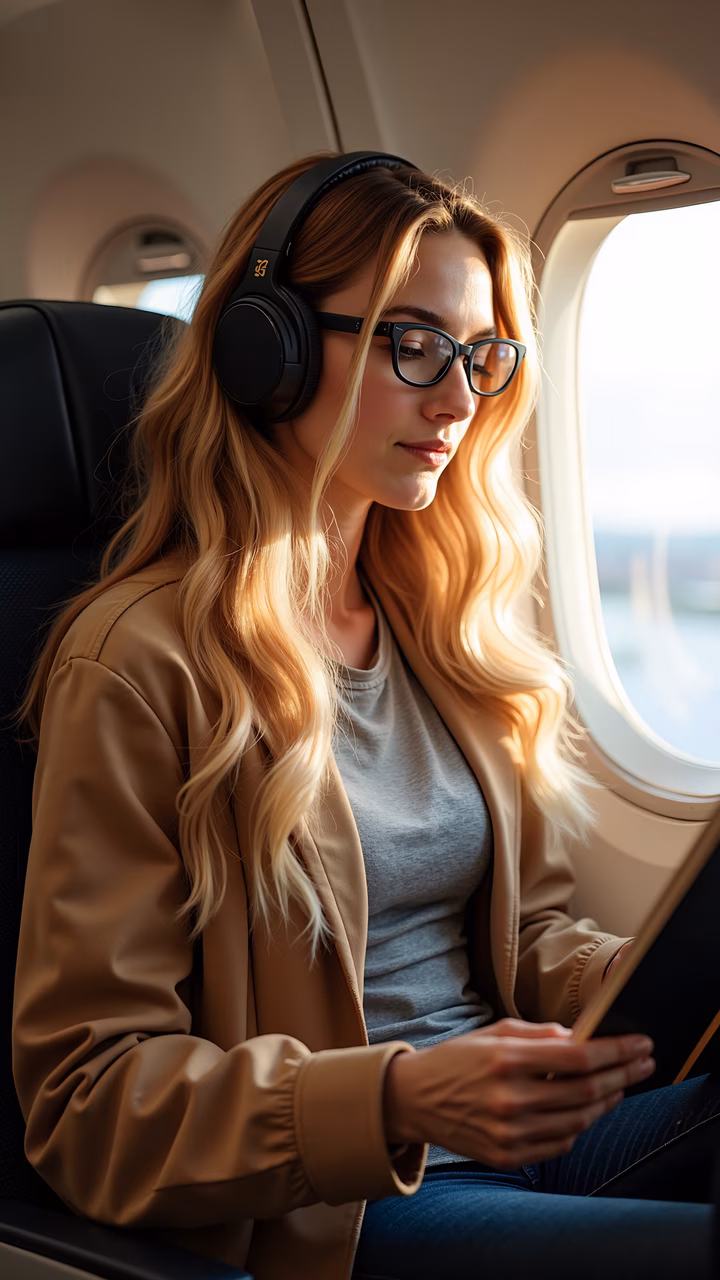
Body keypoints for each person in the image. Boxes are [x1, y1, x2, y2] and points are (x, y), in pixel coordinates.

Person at [12, 152, 720, 1280]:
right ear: (268, 351)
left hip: (528, 1141)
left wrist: (649, 977)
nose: (457, 401)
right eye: (413, 344)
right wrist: (392, 1090)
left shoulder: (440, 619)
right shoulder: (138, 661)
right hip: (343, 1203)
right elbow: (90, 1099)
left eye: (482, 357)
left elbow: (521, 942)